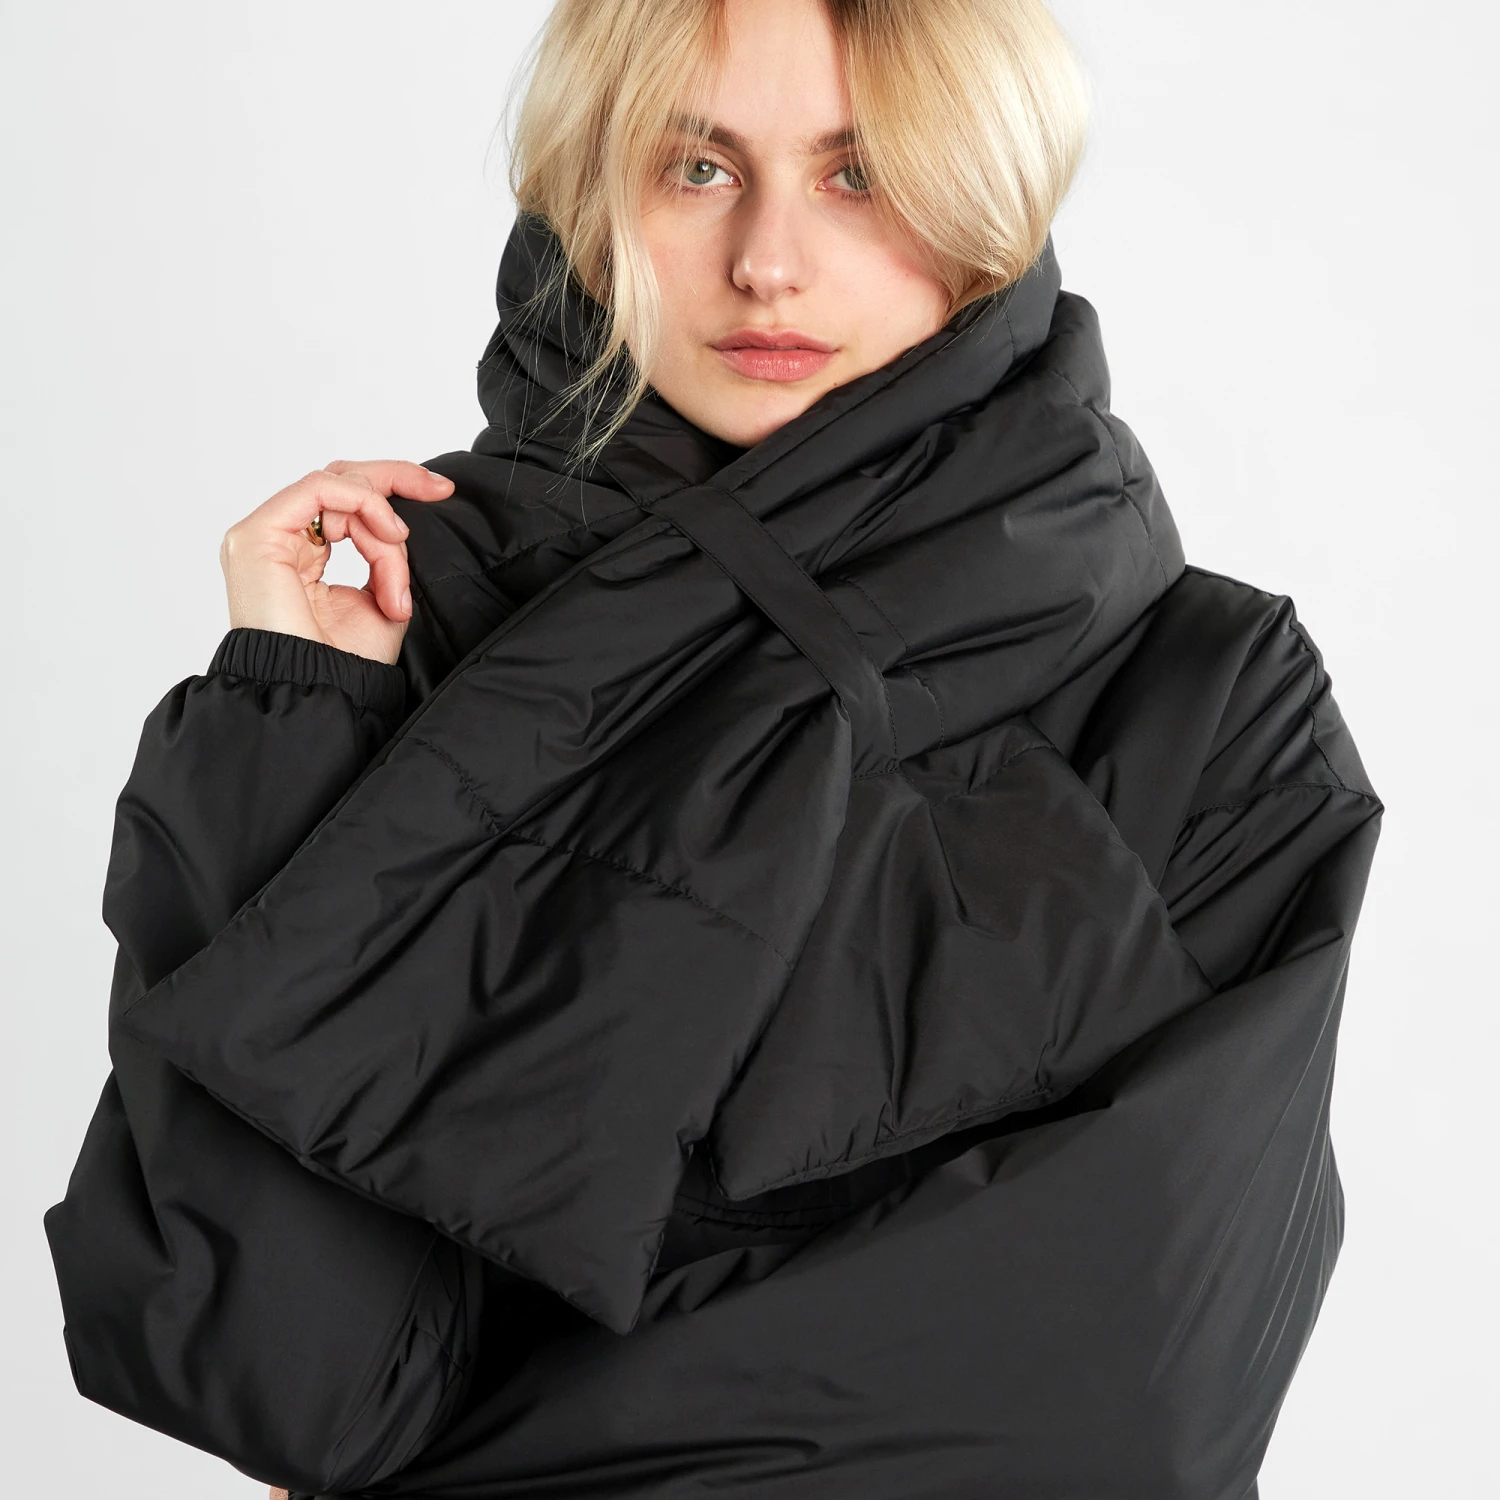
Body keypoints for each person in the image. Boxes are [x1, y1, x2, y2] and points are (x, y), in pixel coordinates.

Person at [44, 1, 1382, 1497]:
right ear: (587, 206)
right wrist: (289, 721)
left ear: (989, 214)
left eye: (859, 175)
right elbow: (277, 1384)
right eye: (696, 169)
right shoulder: (407, 638)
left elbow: (1116, 1399)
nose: (768, 261)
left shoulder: (1208, 697)